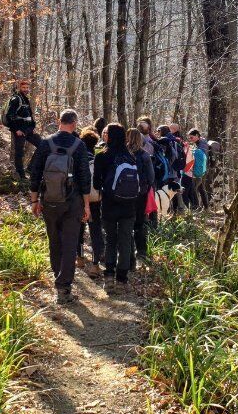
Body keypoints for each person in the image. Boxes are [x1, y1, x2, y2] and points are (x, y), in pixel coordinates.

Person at [29, 109, 92, 304]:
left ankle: (58, 278)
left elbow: (35, 173)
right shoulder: (79, 145)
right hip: (72, 202)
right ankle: (64, 288)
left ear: (59, 122)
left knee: (54, 240)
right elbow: (84, 178)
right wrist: (87, 205)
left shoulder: (45, 144)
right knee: (70, 243)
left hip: (49, 201)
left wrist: (34, 201)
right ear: (74, 124)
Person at [93, 123, 149, 291]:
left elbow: (96, 184)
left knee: (111, 240)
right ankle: (122, 281)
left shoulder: (101, 156)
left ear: (109, 136)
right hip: (129, 206)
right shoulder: (131, 157)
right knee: (125, 241)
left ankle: (109, 278)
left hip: (109, 205)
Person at [78, 127, 105, 277]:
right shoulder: (97, 160)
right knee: (95, 232)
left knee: (79, 230)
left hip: (79, 200)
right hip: (95, 200)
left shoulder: (77, 159)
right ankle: (95, 265)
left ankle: (80, 258)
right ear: (95, 144)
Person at [126, 127, 156, 266]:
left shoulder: (122, 154)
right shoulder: (144, 156)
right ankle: (142, 253)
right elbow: (151, 178)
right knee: (139, 223)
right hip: (141, 193)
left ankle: (128, 255)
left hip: (124, 194)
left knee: (126, 223)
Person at [4, 79, 40, 180]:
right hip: (19, 131)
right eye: (24, 88)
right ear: (20, 88)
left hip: (28, 130)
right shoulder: (16, 99)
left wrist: (32, 127)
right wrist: (16, 130)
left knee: (42, 145)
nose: (26, 89)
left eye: (27, 88)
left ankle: (30, 168)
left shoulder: (25, 99)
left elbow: (30, 116)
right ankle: (21, 175)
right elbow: (9, 116)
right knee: (19, 152)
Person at [188, 128, 209, 210]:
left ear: (197, 136)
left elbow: (201, 158)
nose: (190, 139)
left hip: (200, 170)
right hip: (202, 169)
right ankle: (206, 207)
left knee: (193, 189)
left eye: (191, 137)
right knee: (201, 188)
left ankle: (196, 207)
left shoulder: (202, 144)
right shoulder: (200, 142)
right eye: (189, 138)